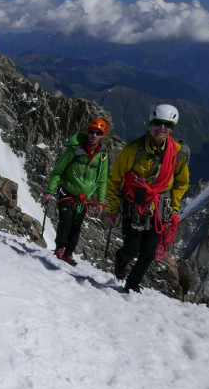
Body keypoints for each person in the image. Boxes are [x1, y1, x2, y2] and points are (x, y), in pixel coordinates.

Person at [105, 104, 190, 293]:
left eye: (167, 125)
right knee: (132, 248)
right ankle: (121, 258)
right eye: (158, 123)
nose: (162, 128)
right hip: (133, 204)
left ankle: (132, 284)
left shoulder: (177, 153)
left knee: (149, 253)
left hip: (160, 207)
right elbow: (115, 179)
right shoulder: (133, 149)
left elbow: (181, 183)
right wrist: (112, 208)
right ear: (151, 124)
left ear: (172, 128)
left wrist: (174, 208)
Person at [42, 118, 109, 265]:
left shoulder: (102, 157)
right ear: (88, 132)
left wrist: (100, 202)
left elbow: (102, 181)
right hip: (67, 191)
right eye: (92, 132)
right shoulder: (74, 150)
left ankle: (68, 254)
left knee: (76, 226)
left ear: (102, 135)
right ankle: (60, 247)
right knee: (65, 220)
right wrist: (49, 191)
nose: (94, 135)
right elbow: (58, 171)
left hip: (84, 198)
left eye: (98, 133)